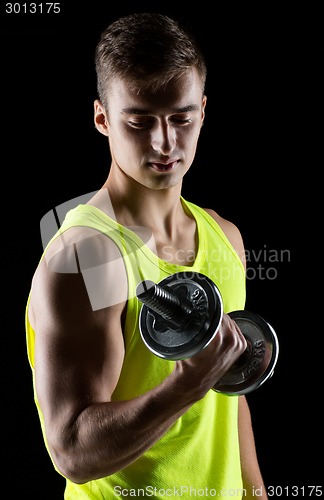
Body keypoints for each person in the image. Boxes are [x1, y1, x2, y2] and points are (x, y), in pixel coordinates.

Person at [25, 12, 269, 499]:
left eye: (182, 119)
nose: (165, 143)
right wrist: (183, 387)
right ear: (102, 119)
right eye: (139, 121)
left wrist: (255, 492)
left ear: (203, 110)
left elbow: (228, 398)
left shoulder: (226, 237)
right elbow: (72, 450)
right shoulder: (85, 256)